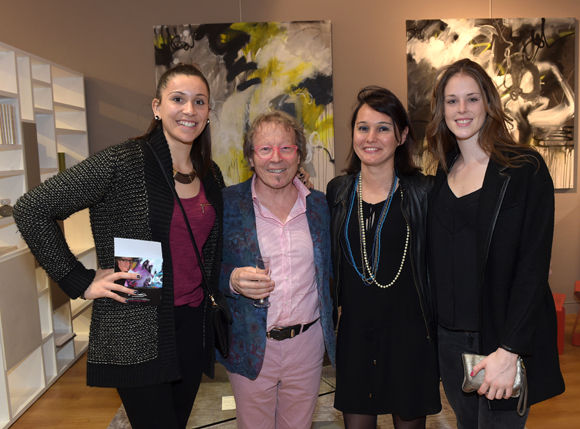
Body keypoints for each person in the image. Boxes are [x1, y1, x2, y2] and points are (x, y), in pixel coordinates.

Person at [13, 63, 225, 429]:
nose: (189, 110)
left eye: (199, 102)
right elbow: (31, 209)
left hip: (193, 322)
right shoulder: (123, 162)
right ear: (157, 107)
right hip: (138, 319)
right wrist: (81, 281)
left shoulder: (211, 173)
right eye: (178, 99)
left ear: (207, 113)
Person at [425, 58, 565, 428]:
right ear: (441, 109)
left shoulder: (524, 168)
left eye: (471, 99)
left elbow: (533, 266)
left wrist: (510, 350)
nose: (462, 109)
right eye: (451, 101)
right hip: (449, 342)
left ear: (489, 102)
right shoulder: (442, 173)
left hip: (499, 340)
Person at [326, 86, 441, 429]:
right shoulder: (338, 191)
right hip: (356, 336)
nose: (371, 137)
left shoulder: (425, 191)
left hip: (410, 338)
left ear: (402, 135)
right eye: (363, 128)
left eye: (383, 127)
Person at [218, 110, 336, 429]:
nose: (276, 158)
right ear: (251, 158)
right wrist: (231, 279)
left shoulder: (321, 206)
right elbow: (202, 267)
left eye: (286, 148)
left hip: (307, 344)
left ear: (299, 155)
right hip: (251, 343)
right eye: (265, 148)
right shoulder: (227, 204)